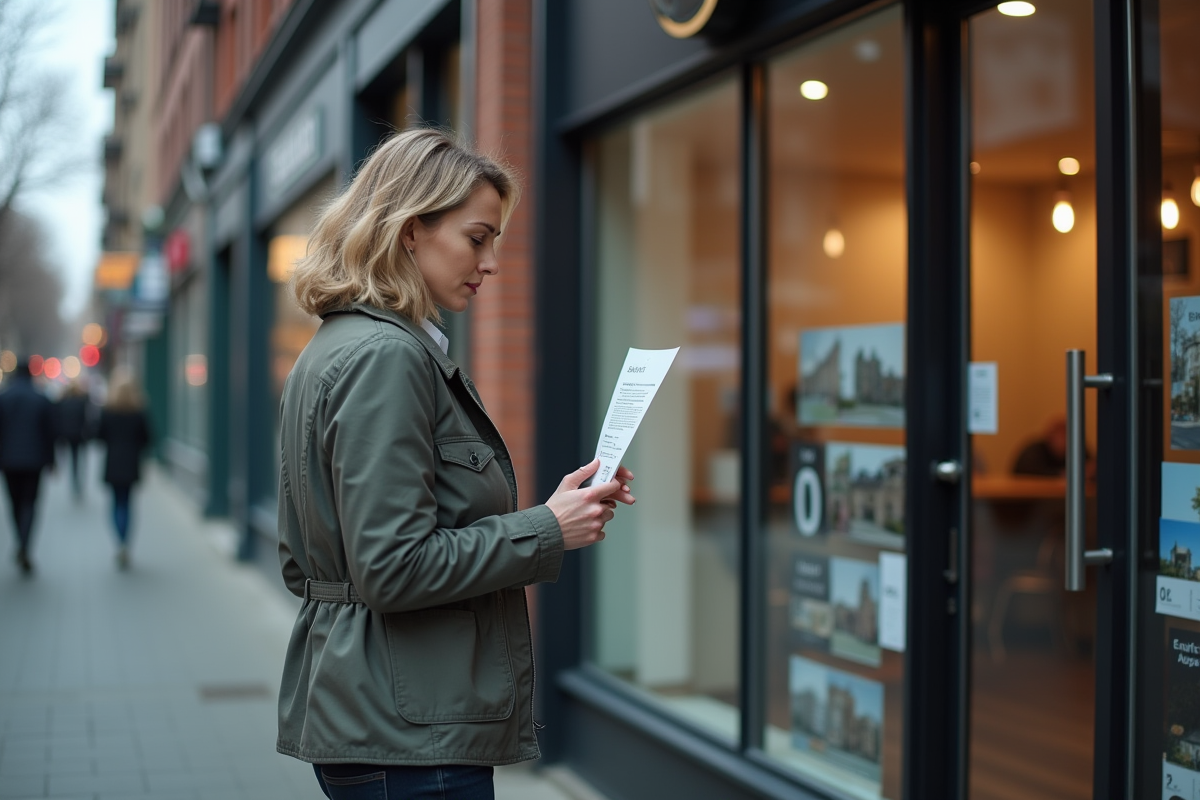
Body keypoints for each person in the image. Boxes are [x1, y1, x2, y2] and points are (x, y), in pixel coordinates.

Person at [277, 127, 635, 800]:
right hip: (410, 733)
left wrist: (551, 514)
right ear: (411, 231)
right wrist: (546, 529)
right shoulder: (387, 358)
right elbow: (390, 567)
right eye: (477, 237)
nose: (491, 260)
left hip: (377, 711)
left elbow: (307, 560)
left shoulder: (339, 345)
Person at [0, 359, 57, 575]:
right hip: (35, 461)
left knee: (14, 503)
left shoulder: (4, 398)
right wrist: (52, 461)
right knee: (30, 504)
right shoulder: (41, 399)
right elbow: (50, 433)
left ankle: (20, 541)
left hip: (8, 461)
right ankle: (25, 544)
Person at [94, 371, 152, 569]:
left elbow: (98, 436)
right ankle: (125, 542)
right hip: (131, 464)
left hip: (112, 463)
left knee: (115, 503)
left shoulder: (107, 411)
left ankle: (119, 542)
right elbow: (148, 439)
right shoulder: (139, 412)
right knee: (127, 503)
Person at [55, 378, 94, 500]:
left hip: (67, 435)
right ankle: (78, 482)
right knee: (79, 459)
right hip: (80, 435)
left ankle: (74, 481)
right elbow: (87, 419)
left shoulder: (63, 402)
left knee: (72, 459)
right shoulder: (82, 402)